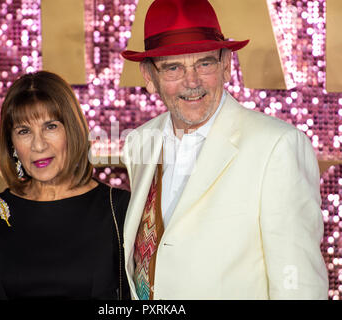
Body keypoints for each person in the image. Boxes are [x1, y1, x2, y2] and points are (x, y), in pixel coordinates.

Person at [120, 0, 328, 299]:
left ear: (226, 65)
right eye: (173, 68)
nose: (192, 82)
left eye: (204, 63)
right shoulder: (139, 141)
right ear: (149, 77)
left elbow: (297, 283)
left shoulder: (277, 145)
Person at [0, 71, 130, 300]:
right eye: (24, 131)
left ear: (72, 130)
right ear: (12, 143)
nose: (38, 145)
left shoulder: (117, 208)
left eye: (50, 127)